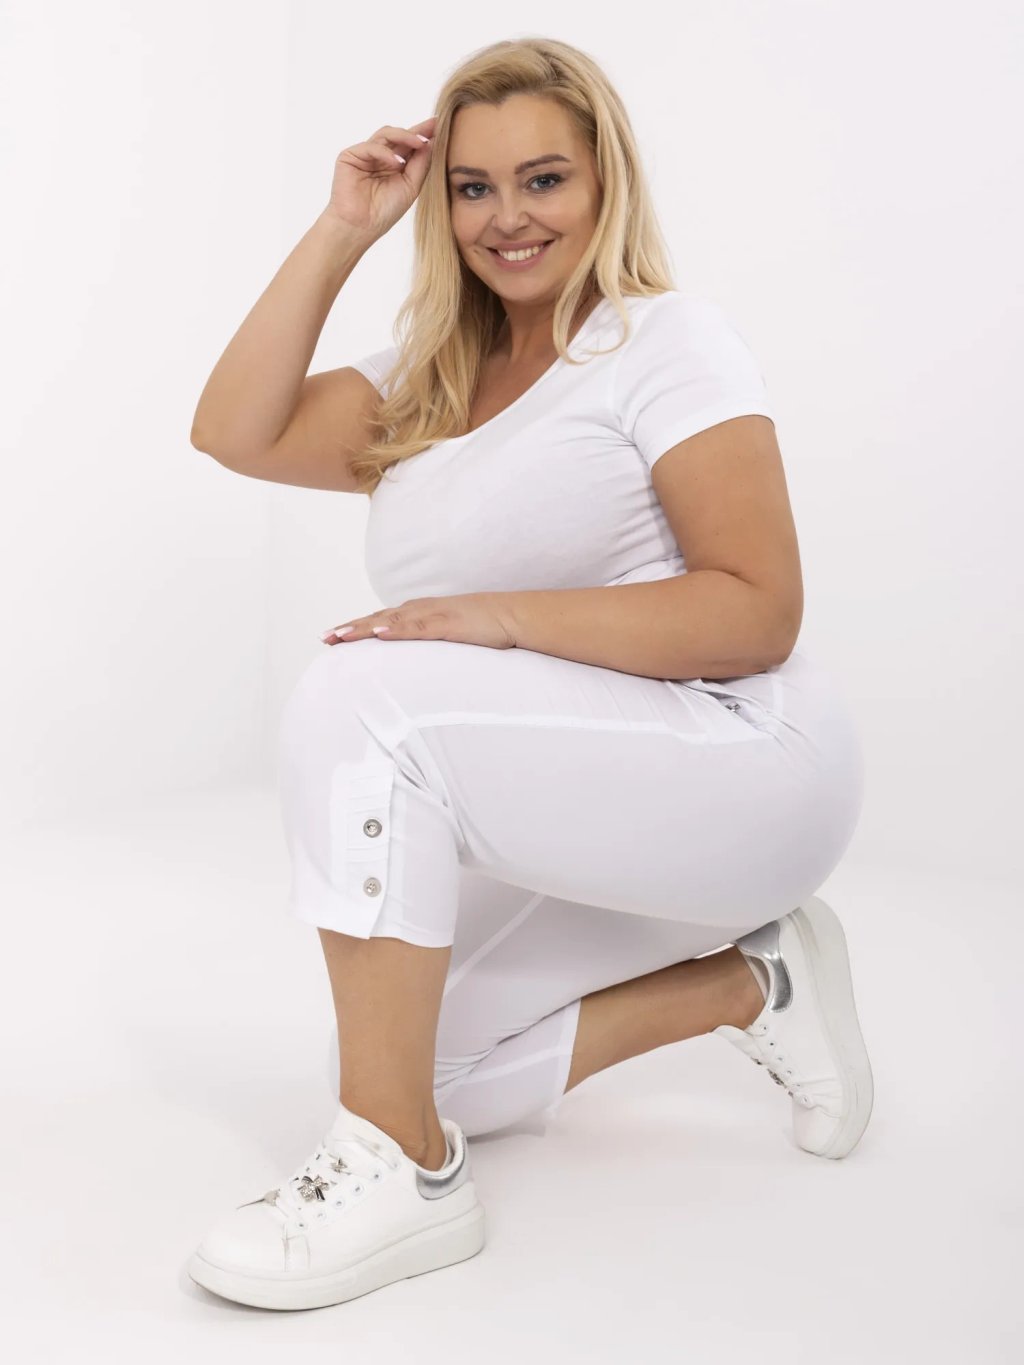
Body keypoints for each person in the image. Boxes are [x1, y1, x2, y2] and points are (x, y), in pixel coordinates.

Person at [186, 37, 872, 1313]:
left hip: (748, 758)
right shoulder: (425, 381)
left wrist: (494, 619)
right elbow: (232, 429)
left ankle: (401, 1175)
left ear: (605, 181)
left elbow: (757, 607)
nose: (508, 217)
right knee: (413, 1059)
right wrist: (344, 229)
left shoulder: (663, 342)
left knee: (355, 690)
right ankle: (751, 979)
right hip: (609, 804)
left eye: (543, 179)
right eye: (473, 187)